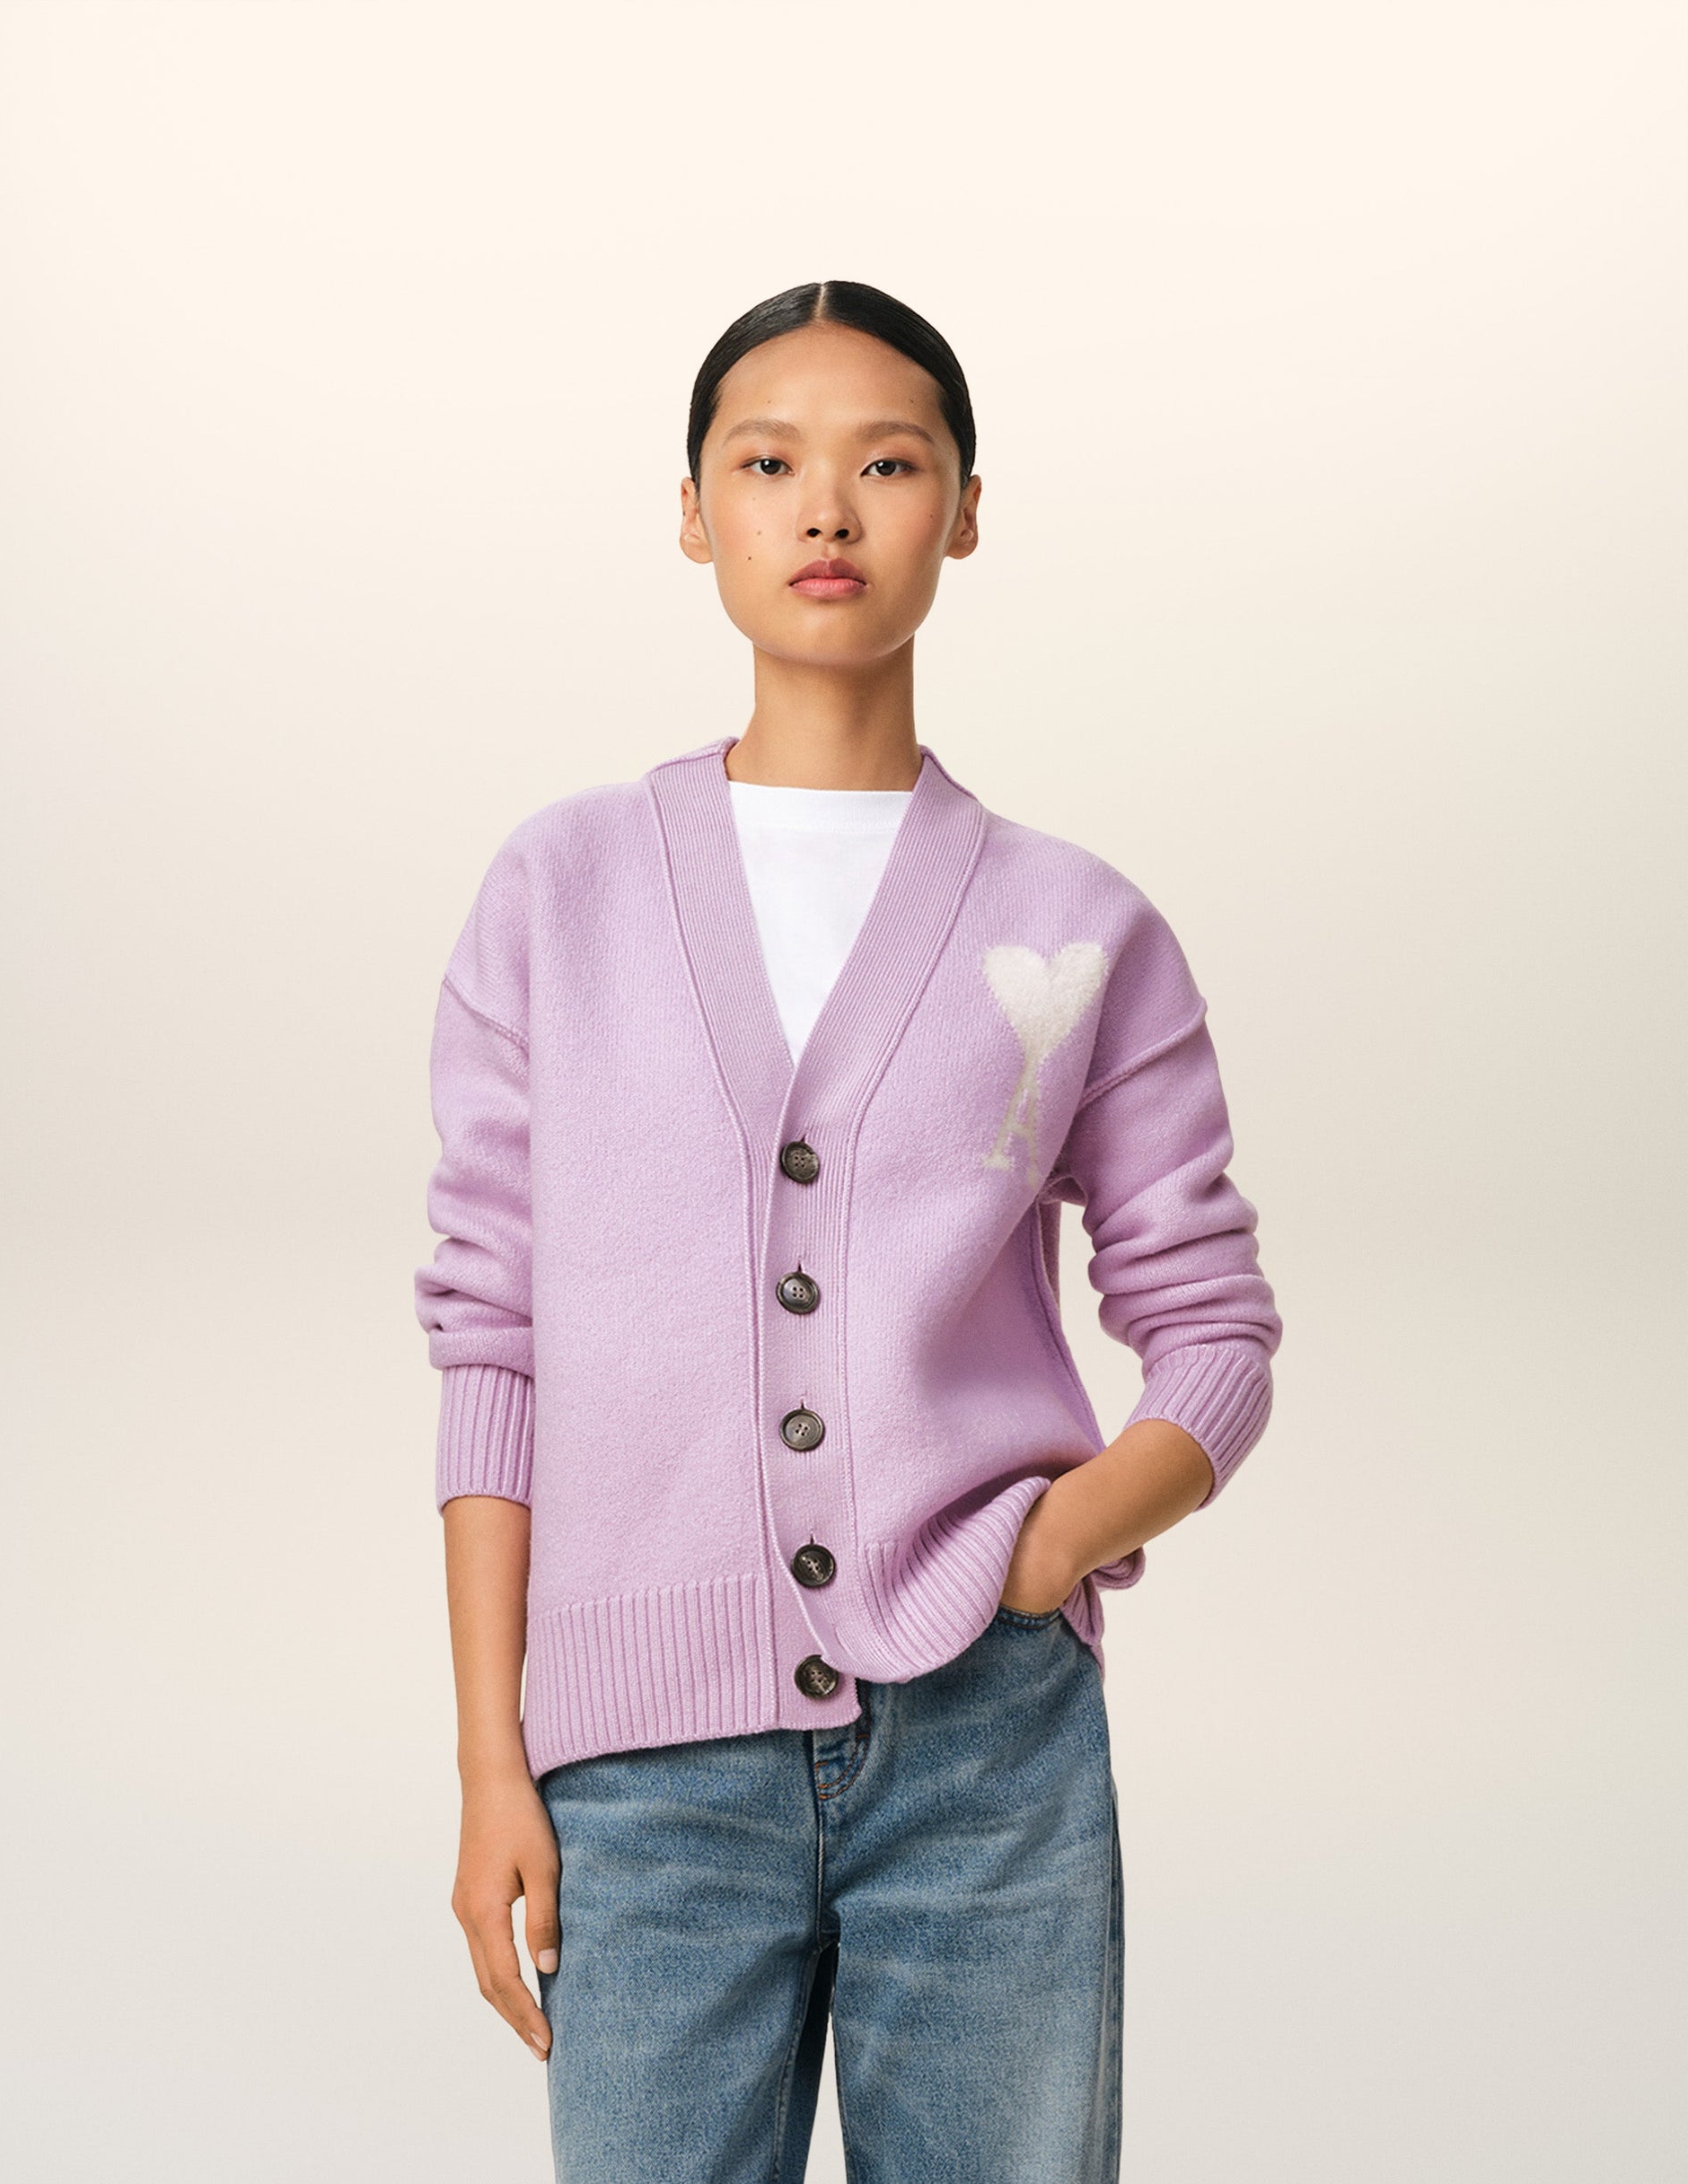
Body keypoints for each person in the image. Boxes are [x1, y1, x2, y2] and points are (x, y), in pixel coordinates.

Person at [413, 278, 1283, 2183]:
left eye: (887, 464)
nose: (825, 508)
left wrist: (1049, 1544)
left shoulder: (1077, 924)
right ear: (691, 510)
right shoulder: (559, 891)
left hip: (988, 1756)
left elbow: (1213, 1331)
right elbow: (493, 1344)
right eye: (766, 463)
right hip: (640, 1770)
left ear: (962, 511)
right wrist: (494, 1758)